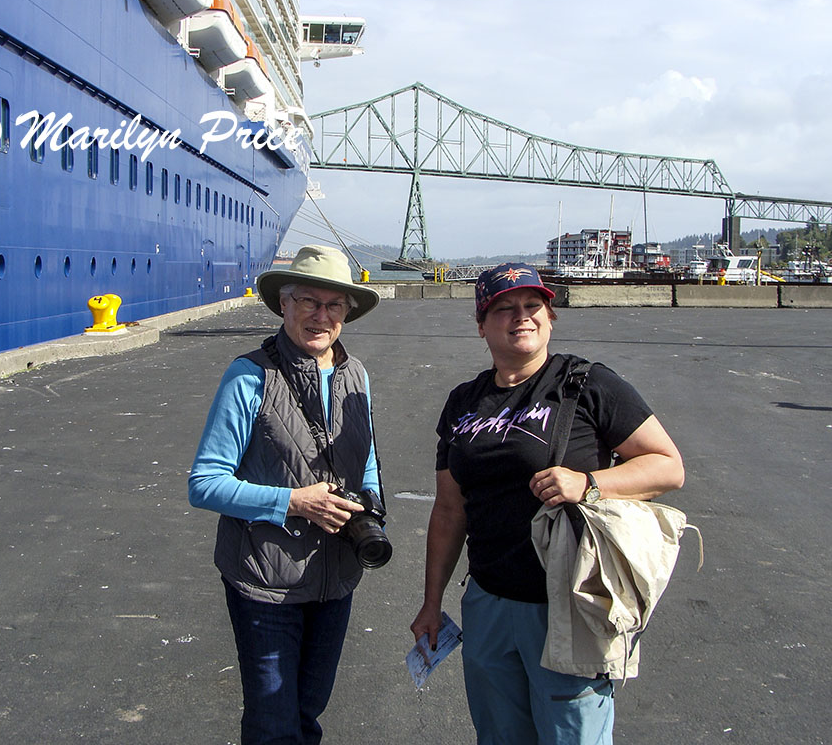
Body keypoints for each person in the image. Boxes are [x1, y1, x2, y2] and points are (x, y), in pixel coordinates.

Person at [410, 263, 684, 745]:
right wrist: (432, 602)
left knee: (571, 736)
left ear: (550, 317)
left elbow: (667, 466)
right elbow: (450, 510)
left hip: (569, 605)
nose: (522, 317)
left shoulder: (586, 384)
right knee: (498, 735)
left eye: (533, 306)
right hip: (488, 603)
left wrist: (588, 482)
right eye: (505, 308)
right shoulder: (463, 401)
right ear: (481, 323)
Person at [189, 245, 384, 745]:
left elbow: (366, 462)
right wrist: (293, 502)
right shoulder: (248, 375)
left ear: (346, 314)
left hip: (335, 579)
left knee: (306, 715)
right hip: (265, 582)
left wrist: (371, 507)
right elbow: (205, 483)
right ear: (284, 305)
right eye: (308, 302)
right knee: (273, 725)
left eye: (333, 306)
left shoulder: (355, 376)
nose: (321, 316)